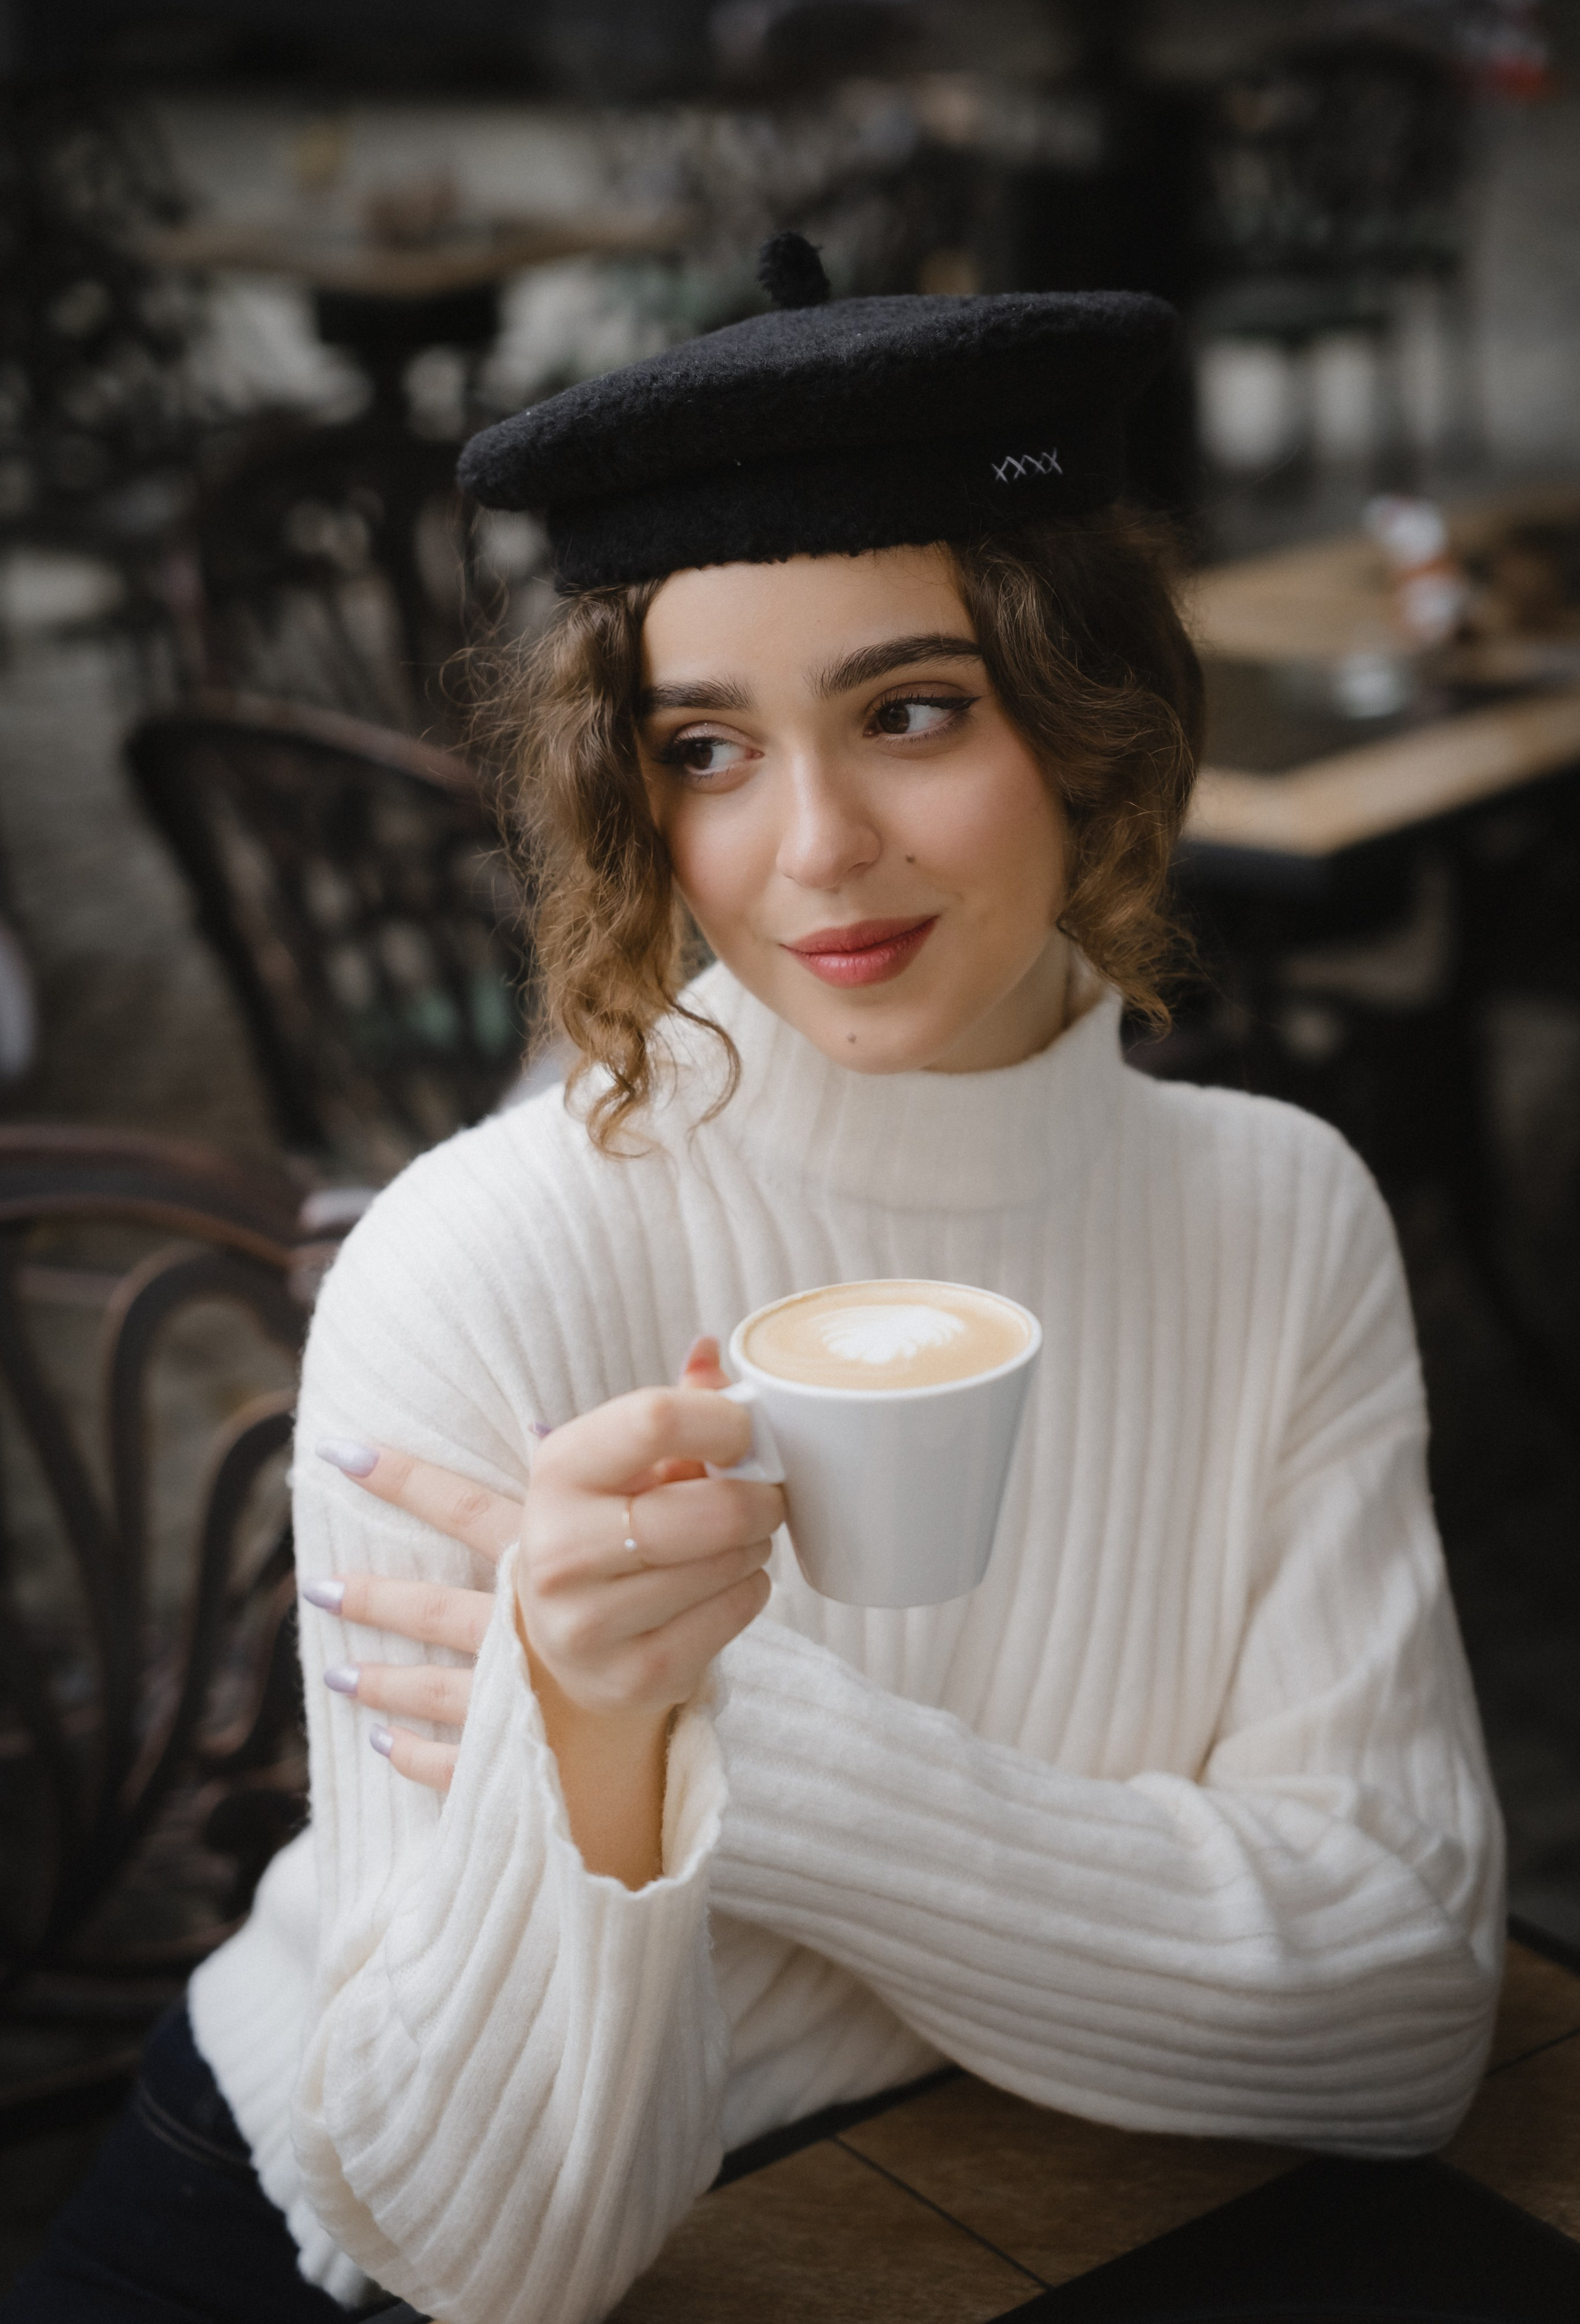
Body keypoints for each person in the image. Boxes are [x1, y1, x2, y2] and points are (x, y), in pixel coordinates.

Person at [10, 239, 1503, 2324]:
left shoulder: (1283, 1214)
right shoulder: (485, 1264)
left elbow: (1404, 2016)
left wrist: (746, 1755)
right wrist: (606, 1741)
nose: (812, 847)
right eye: (705, 745)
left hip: (988, 2207)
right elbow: (491, 2257)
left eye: (912, 710)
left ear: (1087, 716)